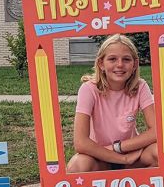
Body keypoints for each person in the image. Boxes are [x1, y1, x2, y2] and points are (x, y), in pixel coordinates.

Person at [67, 34, 158, 173]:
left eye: (126, 59)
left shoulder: (140, 86)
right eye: (112, 59)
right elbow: (81, 143)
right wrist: (121, 159)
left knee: (160, 152)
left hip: (132, 154)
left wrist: (118, 148)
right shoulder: (89, 89)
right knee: (78, 165)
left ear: (135, 65)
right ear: (101, 64)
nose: (120, 64)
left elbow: (157, 131)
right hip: (100, 156)